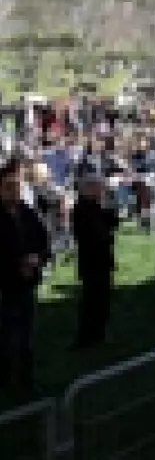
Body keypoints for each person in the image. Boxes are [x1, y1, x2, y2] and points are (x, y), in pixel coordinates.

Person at [0, 159, 50, 394]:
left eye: (17, 186)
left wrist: (37, 258)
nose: (14, 191)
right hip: (6, 285)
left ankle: (26, 379)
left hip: (28, 282)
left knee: (28, 334)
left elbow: (43, 240)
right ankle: (6, 376)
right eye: (9, 186)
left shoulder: (27, 212)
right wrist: (17, 265)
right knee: (8, 334)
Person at [71, 174, 119, 348]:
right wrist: (107, 235)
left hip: (101, 260)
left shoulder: (96, 206)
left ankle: (99, 331)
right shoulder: (82, 208)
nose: (101, 191)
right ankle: (87, 335)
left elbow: (113, 222)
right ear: (89, 189)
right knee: (91, 300)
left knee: (102, 298)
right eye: (99, 188)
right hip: (92, 261)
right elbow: (98, 235)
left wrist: (108, 206)